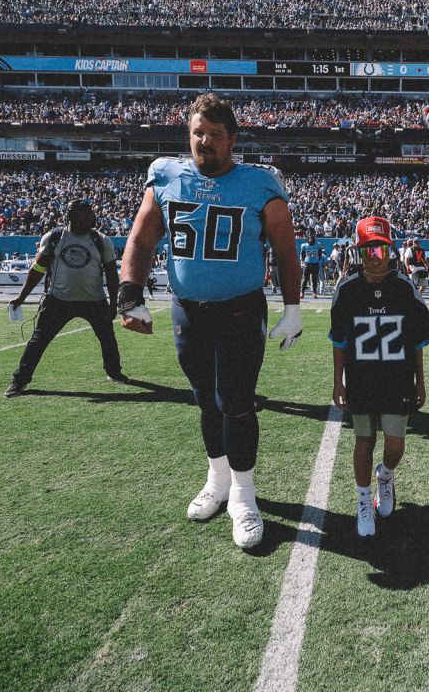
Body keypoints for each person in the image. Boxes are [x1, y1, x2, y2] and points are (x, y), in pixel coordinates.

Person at [116, 93, 302, 550]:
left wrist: (293, 307)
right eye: (198, 133)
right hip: (188, 311)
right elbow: (141, 238)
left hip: (239, 310)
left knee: (236, 402)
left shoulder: (259, 184)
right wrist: (129, 293)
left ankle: (244, 495)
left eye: (215, 135)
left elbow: (284, 250)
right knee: (204, 400)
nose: (205, 142)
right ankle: (218, 479)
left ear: (233, 140)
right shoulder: (166, 175)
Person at [330, 215, 429, 538]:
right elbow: (339, 342)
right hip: (361, 378)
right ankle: (364, 501)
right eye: (368, 251)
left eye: (381, 250)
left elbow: (417, 340)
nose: (376, 258)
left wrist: (420, 379)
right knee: (364, 440)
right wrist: (338, 381)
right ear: (358, 253)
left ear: (391, 251)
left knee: (395, 442)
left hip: (397, 377)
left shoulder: (404, 289)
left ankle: (385, 476)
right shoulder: (346, 290)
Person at [5, 200, 126, 397]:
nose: (92, 218)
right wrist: (22, 296)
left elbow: (112, 275)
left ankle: (114, 372)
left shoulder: (101, 239)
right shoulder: (54, 237)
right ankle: (20, 380)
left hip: (94, 300)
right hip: (58, 300)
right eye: (87, 215)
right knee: (38, 341)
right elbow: (38, 269)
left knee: (107, 339)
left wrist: (114, 303)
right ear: (73, 217)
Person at [300, 231, 325, 298]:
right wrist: (303, 262)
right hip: (307, 263)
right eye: (310, 241)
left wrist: (316, 260)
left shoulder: (318, 245)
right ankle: (302, 292)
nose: (311, 243)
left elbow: (320, 254)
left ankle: (314, 293)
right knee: (305, 279)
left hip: (315, 264)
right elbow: (302, 255)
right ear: (308, 240)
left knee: (314, 279)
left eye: (312, 241)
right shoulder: (304, 246)